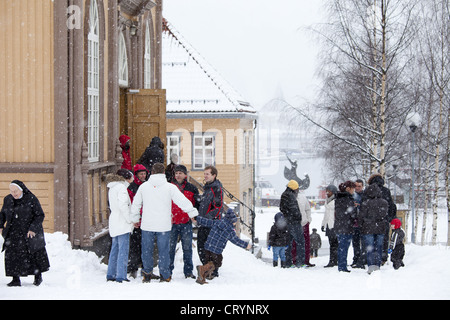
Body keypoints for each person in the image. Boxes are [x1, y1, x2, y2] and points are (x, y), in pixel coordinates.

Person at [130, 163, 198, 283]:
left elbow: (136, 204)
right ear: (163, 173)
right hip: (163, 225)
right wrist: (192, 213)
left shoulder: (144, 187)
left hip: (147, 224)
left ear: (151, 172)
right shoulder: (170, 187)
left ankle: (147, 273)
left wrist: (135, 219)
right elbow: (182, 201)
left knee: (147, 250)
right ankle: (165, 274)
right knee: (164, 251)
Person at [0, 180, 50, 287]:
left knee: (32, 254)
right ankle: (15, 279)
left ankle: (37, 277)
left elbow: (39, 215)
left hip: (29, 233)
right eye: (12, 191)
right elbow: (2, 214)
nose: (14, 193)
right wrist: (0, 226)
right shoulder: (8, 199)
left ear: (21, 189)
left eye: (16, 191)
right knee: (13, 255)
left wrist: (33, 228)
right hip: (13, 232)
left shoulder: (31, 199)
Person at [193, 209, 251, 284]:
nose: (235, 223)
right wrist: (246, 245)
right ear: (232, 221)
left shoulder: (218, 222)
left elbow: (207, 222)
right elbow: (236, 240)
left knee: (208, 262)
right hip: (216, 250)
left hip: (207, 247)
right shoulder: (229, 230)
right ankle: (202, 269)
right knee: (218, 262)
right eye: (235, 221)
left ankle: (201, 278)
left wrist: (197, 218)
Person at [169, 165, 199, 279]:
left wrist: (194, 216)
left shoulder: (191, 188)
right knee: (170, 249)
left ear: (185, 175)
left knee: (187, 248)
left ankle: (188, 271)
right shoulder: (170, 187)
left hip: (186, 222)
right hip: (172, 222)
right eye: (176, 173)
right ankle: (168, 271)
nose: (178, 175)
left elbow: (196, 204)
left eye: (180, 173)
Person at [106, 169, 134, 283]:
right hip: (122, 221)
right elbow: (123, 205)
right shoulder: (122, 188)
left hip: (114, 220)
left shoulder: (112, 188)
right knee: (123, 249)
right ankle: (121, 275)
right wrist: (130, 220)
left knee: (115, 249)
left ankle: (111, 273)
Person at [197, 165, 224, 277]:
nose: (205, 176)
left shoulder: (216, 188)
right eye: (204, 174)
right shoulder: (207, 188)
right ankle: (206, 268)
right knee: (201, 247)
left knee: (211, 249)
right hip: (203, 224)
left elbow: (218, 208)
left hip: (212, 224)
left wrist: (207, 218)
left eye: (207, 174)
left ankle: (213, 271)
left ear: (214, 175)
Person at [358, 183, 389, 274]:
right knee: (379, 248)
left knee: (370, 248)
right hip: (380, 227)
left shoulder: (365, 203)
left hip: (368, 228)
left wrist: (361, 224)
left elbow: (361, 216)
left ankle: (371, 266)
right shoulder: (384, 202)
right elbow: (384, 215)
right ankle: (377, 265)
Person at [367, 173, 397, 264]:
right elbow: (391, 206)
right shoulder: (386, 191)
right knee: (383, 239)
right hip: (383, 220)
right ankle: (383, 257)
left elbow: (364, 206)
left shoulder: (368, 191)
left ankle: (371, 259)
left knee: (371, 241)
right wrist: (390, 218)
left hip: (371, 221)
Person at [127, 164, 149, 278]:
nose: (143, 176)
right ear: (136, 175)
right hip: (137, 221)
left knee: (145, 245)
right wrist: (136, 217)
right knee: (135, 245)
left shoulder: (147, 186)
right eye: (141, 174)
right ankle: (133, 267)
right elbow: (132, 204)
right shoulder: (132, 188)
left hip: (146, 220)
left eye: (144, 173)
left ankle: (145, 266)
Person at [279, 180, 305, 268]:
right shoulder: (291, 196)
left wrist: (287, 216)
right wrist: (298, 217)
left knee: (288, 243)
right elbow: (294, 210)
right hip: (294, 222)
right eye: (297, 188)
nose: (298, 190)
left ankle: (288, 262)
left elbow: (281, 208)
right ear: (294, 188)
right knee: (300, 242)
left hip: (287, 222)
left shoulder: (284, 195)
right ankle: (300, 262)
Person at [334, 180, 357, 272]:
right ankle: (342, 266)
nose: (353, 191)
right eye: (353, 189)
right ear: (348, 189)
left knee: (341, 247)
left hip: (340, 225)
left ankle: (341, 265)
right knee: (344, 247)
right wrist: (354, 208)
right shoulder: (348, 199)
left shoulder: (339, 198)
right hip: (346, 226)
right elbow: (352, 214)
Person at [322, 185, 338, 268]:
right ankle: (332, 260)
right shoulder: (327, 200)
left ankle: (334, 260)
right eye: (326, 191)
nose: (327, 193)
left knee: (335, 244)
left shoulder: (336, 200)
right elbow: (326, 214)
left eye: (329, 191)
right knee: (331, 244)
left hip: (334, 224)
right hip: (329, 224)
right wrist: (323, 224)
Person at [351, 179, 366, 269]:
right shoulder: (352, 195)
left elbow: (367, 207)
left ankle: (362, 260)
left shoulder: (365, 196)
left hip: (363, 223)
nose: (357, 188)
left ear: (362, 186)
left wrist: (359, 206)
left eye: (359, 186)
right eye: (355, 186)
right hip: (353, 223)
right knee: (355, 243)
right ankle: (356, 259)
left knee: (363, 243)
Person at [298, 190, 314, 267]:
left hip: (304, 223)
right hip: (295, 223)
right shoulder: (289, 197)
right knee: (295, 243)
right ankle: (296, 260)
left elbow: (308, 209)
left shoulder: (303, 197)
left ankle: (306, 260)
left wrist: (308, 219)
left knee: (306, 242)